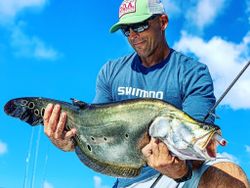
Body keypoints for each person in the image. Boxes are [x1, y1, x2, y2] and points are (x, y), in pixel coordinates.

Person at [43, 0, 249, 187]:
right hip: (131, 181)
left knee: (231, 175)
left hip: (185, 173)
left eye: (140, 25)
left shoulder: (193, 72)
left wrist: (180, 171)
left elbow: (196, 150)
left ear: (163, 22)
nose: (133, 35)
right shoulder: (110, 72)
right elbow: (95, 135)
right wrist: (69, 142)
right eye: (126, 30)